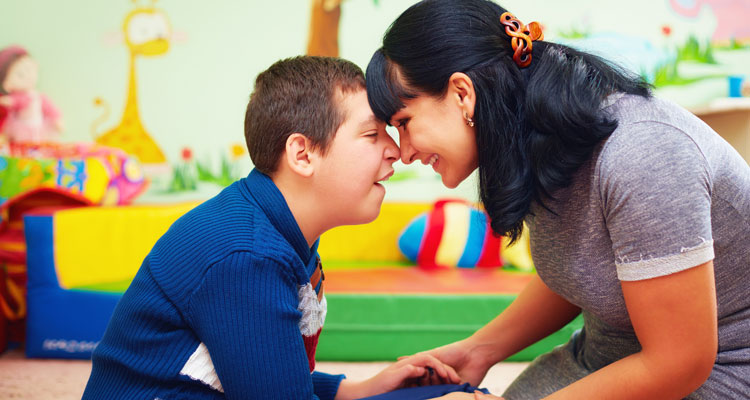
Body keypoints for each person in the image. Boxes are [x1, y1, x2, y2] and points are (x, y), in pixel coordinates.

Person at [365, 0, 750, 399]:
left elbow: (680, 362)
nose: (404, 151)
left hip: (720, 373)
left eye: (404, 123)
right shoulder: (535, 134)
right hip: (608, 356)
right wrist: (477, 351)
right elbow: (583, 265)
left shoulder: (642, 153)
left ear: (463, 94)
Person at [82, 56, 464, 400]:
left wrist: (359, 389)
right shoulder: (247, 256)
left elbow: (262, 373)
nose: (395, 150)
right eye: (371, 135)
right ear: (302, 154)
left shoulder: (276, 234)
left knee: (458, 392)